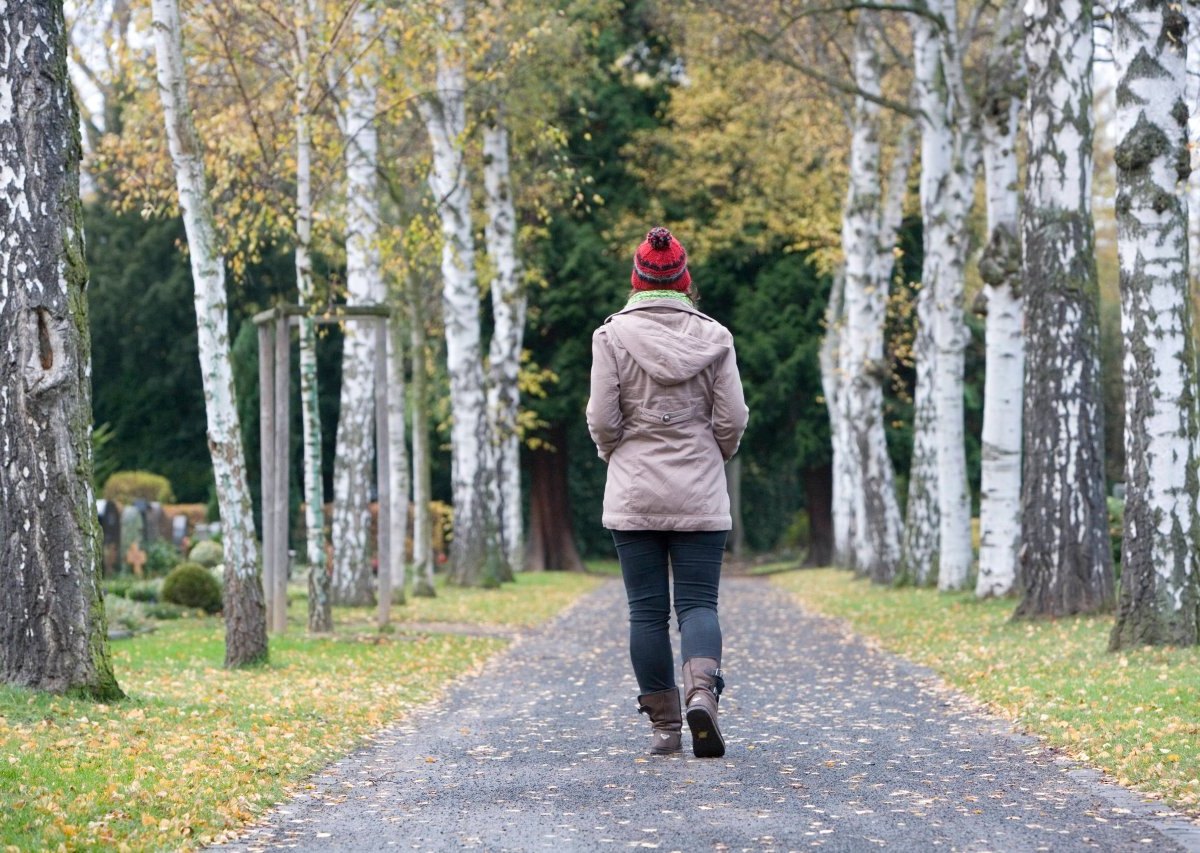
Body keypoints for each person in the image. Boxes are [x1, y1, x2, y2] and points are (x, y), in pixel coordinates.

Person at [586, 227, 749, 758]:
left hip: (634, 494)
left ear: (637, 279)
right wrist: (712, 455)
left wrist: (618, 454)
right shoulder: (716, 337)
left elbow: (602, 418)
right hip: (700, 489)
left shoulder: (610, 336)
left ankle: (665, 728)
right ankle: (704, 694)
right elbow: (732, 418)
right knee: (699, 603)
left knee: (646, 613)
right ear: (684, 280)